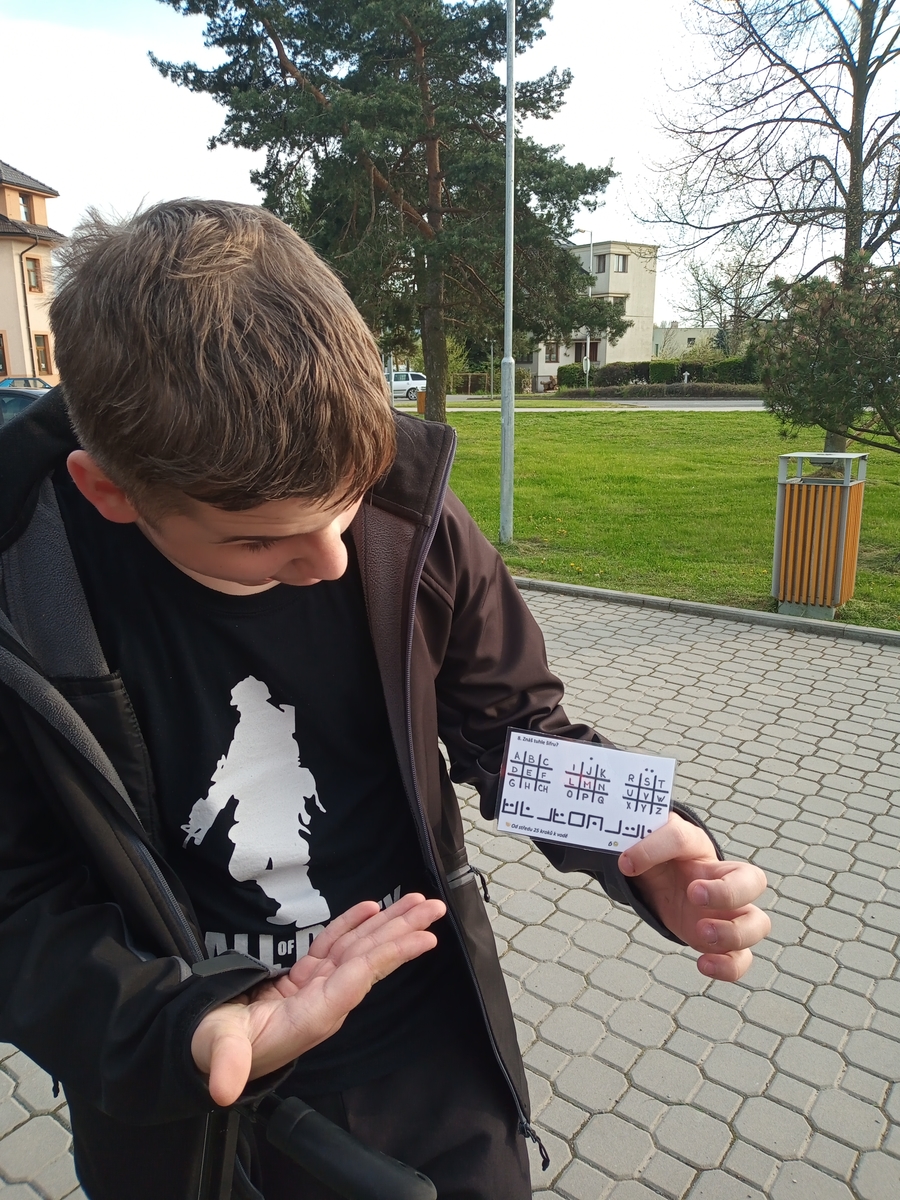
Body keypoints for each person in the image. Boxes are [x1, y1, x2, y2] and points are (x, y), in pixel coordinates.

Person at [0, 200, 769, 1200]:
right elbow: (19, 896)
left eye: (346, 506)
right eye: (259, 541)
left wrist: (636, 840)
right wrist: (177, 1027)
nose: (328, 561)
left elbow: (507, 731)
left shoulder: (407, 517)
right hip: (182, 1084)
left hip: (428, 1051)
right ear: (110, 492)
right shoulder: (23, 585)